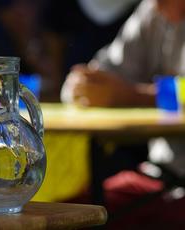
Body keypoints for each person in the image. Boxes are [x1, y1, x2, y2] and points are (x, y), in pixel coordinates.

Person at [61, 0, 185, 177]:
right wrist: (83, 85)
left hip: (172, 179)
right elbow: (109, 67)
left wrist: (132, 95)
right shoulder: (151, 10)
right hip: (159, 173)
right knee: (73, 201)